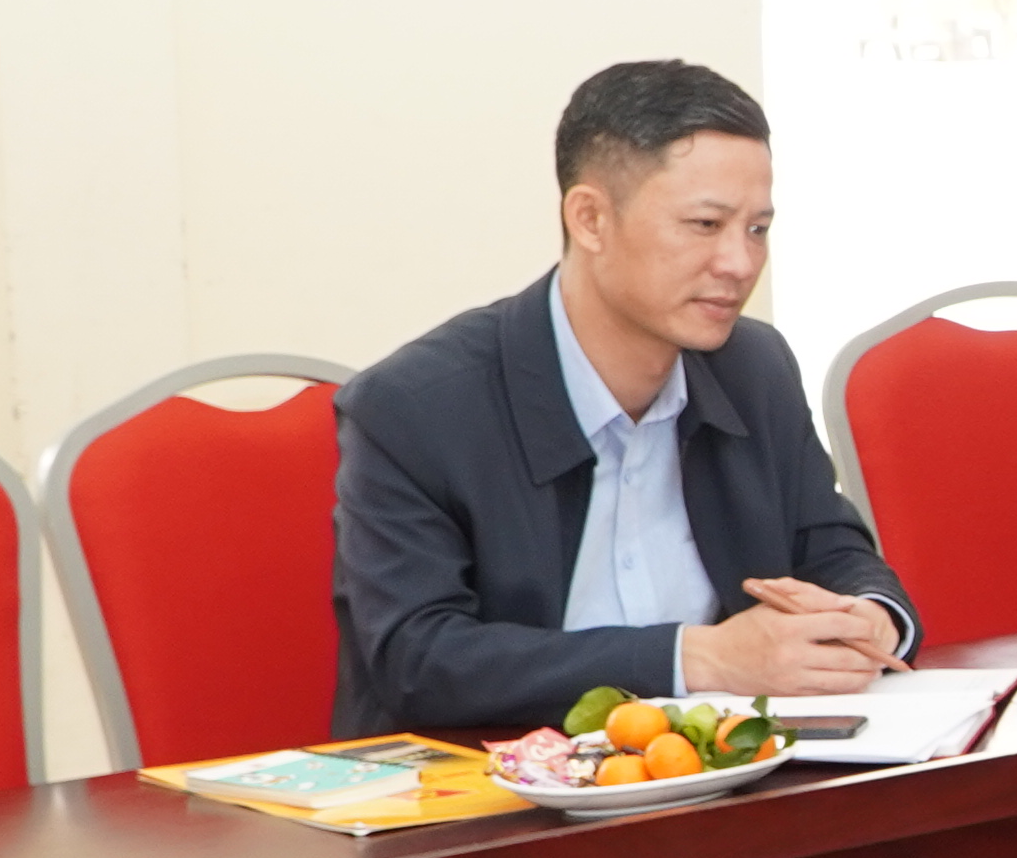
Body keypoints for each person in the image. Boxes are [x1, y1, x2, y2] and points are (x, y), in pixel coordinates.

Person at [329, 60, 915, 736]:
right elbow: (420, 660)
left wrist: (869, 616)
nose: (740, 263)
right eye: (705, 224)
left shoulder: (753, 367)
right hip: (494, 781)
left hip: (726, 772)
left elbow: (830, 549)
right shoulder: (413, 408)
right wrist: (699, 659)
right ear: (590, 219)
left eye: (757, 229)